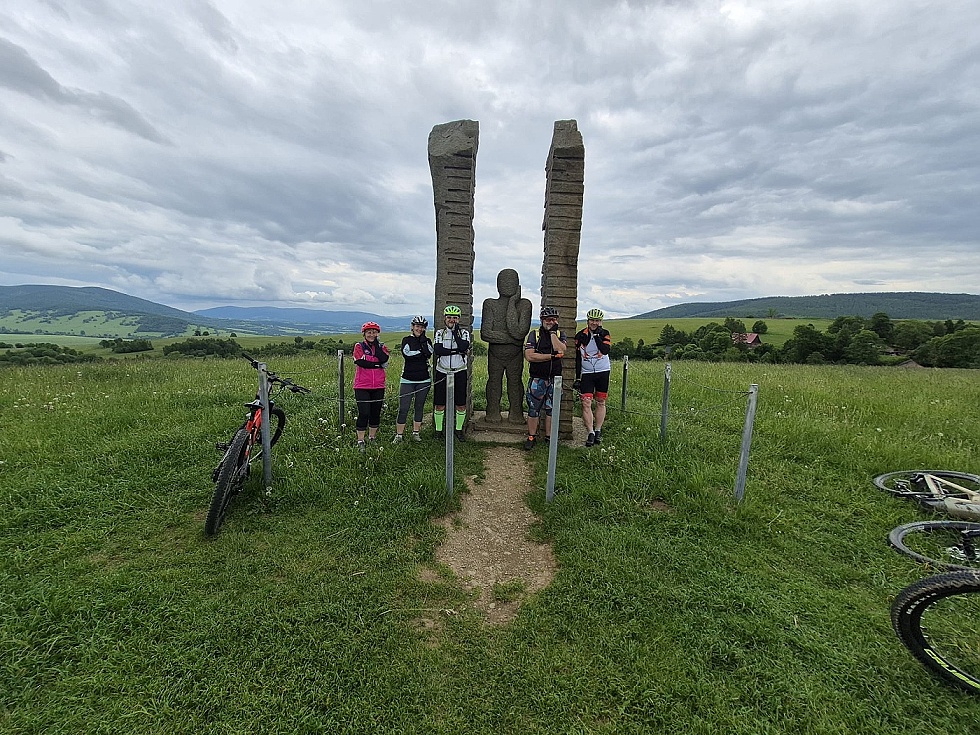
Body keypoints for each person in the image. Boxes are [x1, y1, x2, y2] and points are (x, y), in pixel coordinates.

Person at [480, 268, 532, 424]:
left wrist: (512, 303)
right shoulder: (490, 304)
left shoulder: (524, 305)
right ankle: (492, 412)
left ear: (518, 284)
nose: (507, 284)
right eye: (504, 281)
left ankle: (516, 413)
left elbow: (519, 332)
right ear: (497, 284)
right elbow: (486, 333)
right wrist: (512, 339)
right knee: (493, 383)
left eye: (511, 281)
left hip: (515, 355)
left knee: (515, 384)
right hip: (495, 355)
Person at [523, 306, 567, 450]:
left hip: (555, 379)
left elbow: (561, 350)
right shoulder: (534, 334)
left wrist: (553, 334)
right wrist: (551, 357)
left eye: (554, 319)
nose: (551, 322)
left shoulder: (560, 334)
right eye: (548, 319)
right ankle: (531, 437)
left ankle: (549, 437)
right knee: (533, 409)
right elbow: (530, 356)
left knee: (552, 410)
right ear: (542, 320)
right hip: (537, 379)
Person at [433, 305, 471, 442]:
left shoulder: (464, 333)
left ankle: (458, 429)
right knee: (439, 404)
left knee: (461, 404)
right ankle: (438, 431)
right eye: (449, 317)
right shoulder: (440, 333)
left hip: (459, 371)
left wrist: (455, 333)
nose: (452, 320)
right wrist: (456, 351)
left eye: (455, 317)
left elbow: (464, 346)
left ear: (458, 319)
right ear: (445, 318)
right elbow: (438, 350)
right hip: (442, 371)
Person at [575, 308, 612, 447]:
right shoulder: (580, 336)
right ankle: (590, 432)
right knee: (586, 402)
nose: (594, 323)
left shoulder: (605, 334)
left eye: (597, 320)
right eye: (592, 320)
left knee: (601, 402)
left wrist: (596, 336)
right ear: (588, 321)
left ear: (600, 321)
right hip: (587, 373)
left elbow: (605, 350)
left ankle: (598, 430)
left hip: (603, 371)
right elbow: (577, 358)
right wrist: (578, 377)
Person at [393, 316, 433, 443]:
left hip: (424, 379)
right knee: (403, 408)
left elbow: (429, 353)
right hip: (407, 379)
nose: (419, 329)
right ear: (412, 327)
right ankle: (399, 435)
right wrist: (422, 352)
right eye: (417, 326)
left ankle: (416, 433)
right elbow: (407, 354)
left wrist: (422, 345)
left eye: (422, 327)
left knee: (419, 407)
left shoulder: (427, 341)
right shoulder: (406, 340)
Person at [352, 321, 390, 452]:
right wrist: (377, 364)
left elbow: (384, 359)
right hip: (362, 385)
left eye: (374, 332)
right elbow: (360, 362)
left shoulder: (381, 346)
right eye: (369, 332)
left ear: (378, 334)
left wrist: (377, 347)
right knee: (364, 413)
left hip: (378, 385)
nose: (371, 335)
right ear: (364, 334)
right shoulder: (359, 346)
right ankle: (360, 440)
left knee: (375, 412)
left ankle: (372, 437)